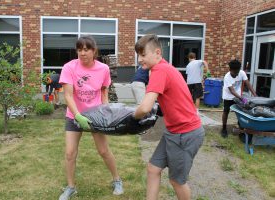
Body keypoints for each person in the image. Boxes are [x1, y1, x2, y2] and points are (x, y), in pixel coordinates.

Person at [133, 34, 205, 200]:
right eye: (138, 55)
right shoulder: (164, 67)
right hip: (173, 132)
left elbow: (144, 107)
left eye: (143, 55)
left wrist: (132, 117)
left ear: (157, 53)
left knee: (177, 181)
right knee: (153, 168)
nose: (139, 59)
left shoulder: (159, 70)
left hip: (186, 134)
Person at [58, 36, 123, 200]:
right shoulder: (69, 67)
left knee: (103, 150)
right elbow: (68, 95)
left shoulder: (103, 69)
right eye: (79, 50)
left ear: (94, 51)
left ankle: (117, 180)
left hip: (96, 115)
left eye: (86, 49)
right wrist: (78, 116)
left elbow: (103, 91)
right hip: (75, 115)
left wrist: (106, 111)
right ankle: (71, 187)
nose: (82, 53)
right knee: (69, 153)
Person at [221, 59, 257, 138]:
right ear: (230, 70)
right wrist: (241, 98)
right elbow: (232, 91)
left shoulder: (242, 73)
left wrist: (255, 95)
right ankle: (224, 128)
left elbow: (248, 84)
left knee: (241, 112)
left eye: (238, 72)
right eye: (235, 73)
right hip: (228, 96)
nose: (237, 74)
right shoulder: (227, 77)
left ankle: (241, 128)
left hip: (237, 95)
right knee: (226, 111)